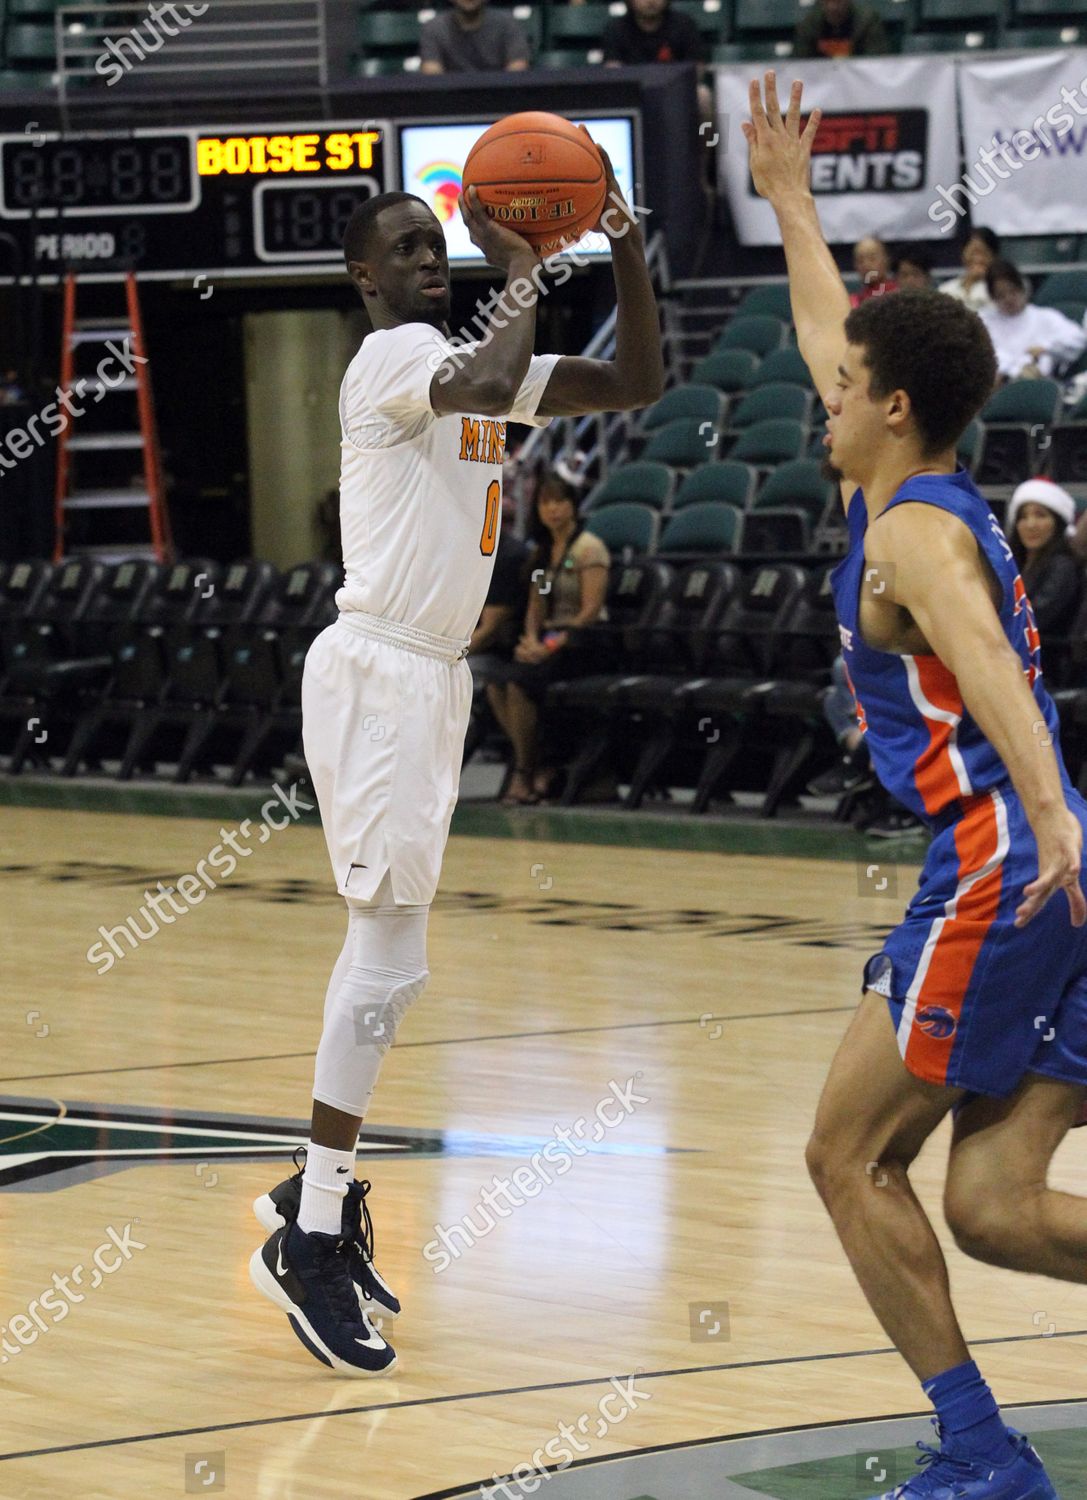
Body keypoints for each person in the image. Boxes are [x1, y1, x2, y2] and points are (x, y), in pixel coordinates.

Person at [248, 157, 663, 1374]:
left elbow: (635, 377)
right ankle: (313, 1230)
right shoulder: (394, 363)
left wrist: (623, 246)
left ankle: (313, 1201)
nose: (431, 256)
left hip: (432, 678)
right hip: (376, 668)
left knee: (394, 970)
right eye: (407, 246)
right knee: (381, 962)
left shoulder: (479, 371)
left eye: (441, 242)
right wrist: (530, 271)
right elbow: (481, 370)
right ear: (361, 278)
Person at [745, 69, 1087, 1499]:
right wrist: (788, 203)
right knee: (994, 1208)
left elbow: (994, 679)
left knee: (841, 1157)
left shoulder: (914, 546)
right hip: (1037, 864)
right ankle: (975, 1448)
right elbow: (834, 330)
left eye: (842, 389)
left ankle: (976, 1453)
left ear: (885, 409)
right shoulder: (897, 485)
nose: (819, 392)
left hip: (1005, 866)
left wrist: (1049, 814)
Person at [486, 469, 610, 804]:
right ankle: (540, 764)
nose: (552, 509)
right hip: (550, 640)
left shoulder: (589, 549)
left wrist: (549, 646)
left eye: (559, 501)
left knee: (518, 683)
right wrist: (530, 639)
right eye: (545, 503)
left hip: (584, 641)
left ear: (573, 505)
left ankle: (524, 771)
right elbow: (537, 605)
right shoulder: (543, 553)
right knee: (495, 685)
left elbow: (589, 611)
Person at [602, 0, 714, 132]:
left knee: (703, 96)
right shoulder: (616, 28)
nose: (650, 1)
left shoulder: (684, 24)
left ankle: (704, 151)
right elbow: (612, 70)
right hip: (631, 94)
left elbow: (698, 67)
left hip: (677, 93)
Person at [1006, 478, 1083, 658]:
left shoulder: (1063, 566)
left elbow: (1035, 619)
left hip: (1049, 673)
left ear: (1057, 522)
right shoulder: (1014, 564)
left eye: (1040, 515)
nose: (1031, 524)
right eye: (1023, 517)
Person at [980, 258, 1087, 382]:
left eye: (1013, 291)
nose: (1009, 299)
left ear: (1022, 287)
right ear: (992, 297)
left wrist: (1047, 348)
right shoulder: (985, 321)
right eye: (1001, 295)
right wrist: (1013, 369)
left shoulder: (1044, 317)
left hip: (1037, 381)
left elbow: (1077, 339)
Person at [420, 0, 529, 73]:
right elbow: (431, 72)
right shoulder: (434, 27)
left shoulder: (507, 23)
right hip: (449, 99)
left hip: (500, 97)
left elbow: (518, 68)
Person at [793, 0, 888, 58]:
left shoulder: (867, 20)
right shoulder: (809, 24)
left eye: (838, 1)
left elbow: (877, 60)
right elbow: (801, 63)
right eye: (828, 1)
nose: (833, 7)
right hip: (821, 83)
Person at [939, 227, 999, 313]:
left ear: (994, 256)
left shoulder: (1000, 291)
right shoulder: (946, 290)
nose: (978, 259)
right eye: (973, 253)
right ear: (963, 254)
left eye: (983, 253)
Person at [850, 235, 896, 306]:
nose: (866, 265)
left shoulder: (899, 297)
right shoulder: (852, 303)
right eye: (860, 260)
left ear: (886, 260)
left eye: (872, 258)